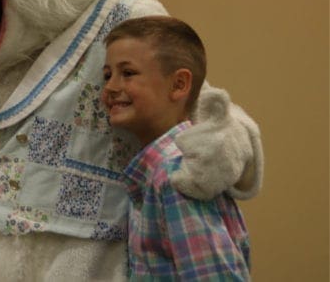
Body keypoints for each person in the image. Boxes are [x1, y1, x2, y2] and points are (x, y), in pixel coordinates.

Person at [101, 16, 251, 280]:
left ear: (179, 84)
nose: (111, 87)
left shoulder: (176, 177)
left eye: (128, 73)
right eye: (107, 75)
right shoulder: (159, 173)